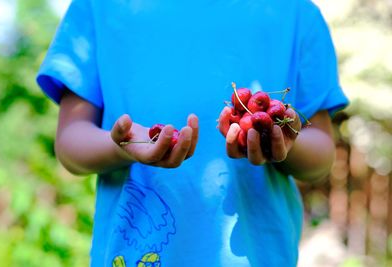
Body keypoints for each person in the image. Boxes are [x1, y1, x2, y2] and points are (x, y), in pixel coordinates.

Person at [36, 0, 349, 266]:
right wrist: (121, 146)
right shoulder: (98, 7)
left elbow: (321, 153)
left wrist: (284, 143)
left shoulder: (295, 13)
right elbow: (70, 141)